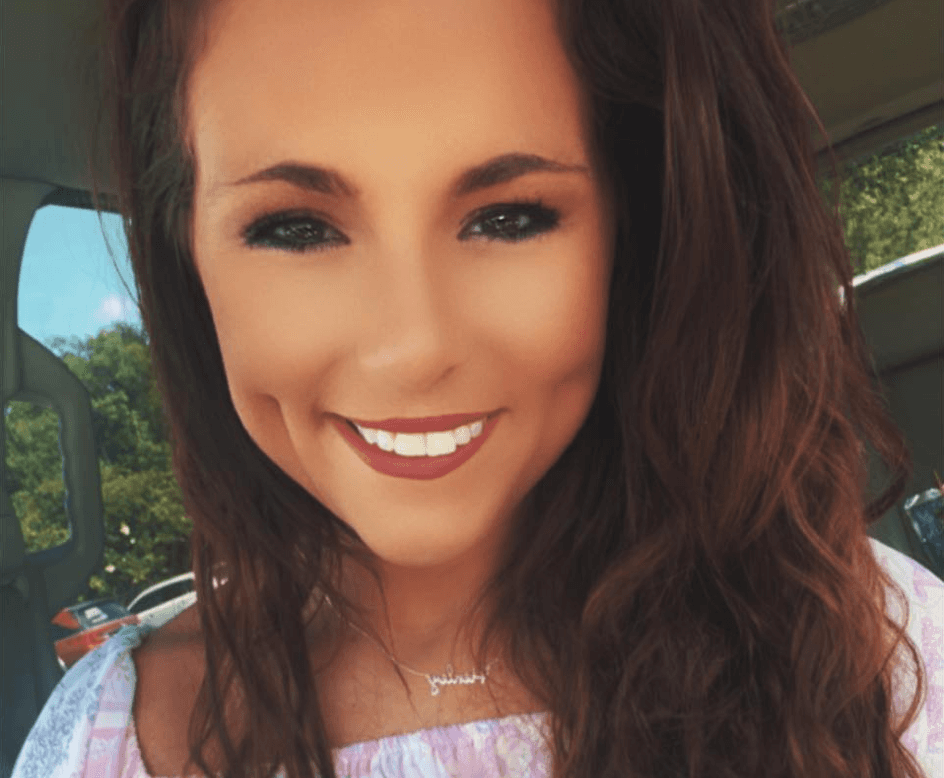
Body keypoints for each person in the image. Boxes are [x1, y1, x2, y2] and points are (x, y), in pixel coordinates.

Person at [11, 0, 943, 776]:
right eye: (296, 228)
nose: (414, 348)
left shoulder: (876, 650)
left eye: (510, 216)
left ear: (632, 233)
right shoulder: (109, 738)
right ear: (188, 258)